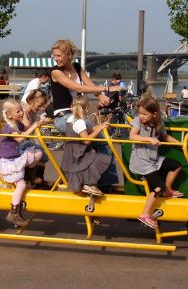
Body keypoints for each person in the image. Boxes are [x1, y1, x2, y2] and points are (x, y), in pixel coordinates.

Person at [48, 39, 121, 190]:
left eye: (59, 55)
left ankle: (100, 181)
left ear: (68, 54)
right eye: (54, 55)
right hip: (64, 118)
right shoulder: (55, 72)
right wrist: (108, 88)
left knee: (99, 144)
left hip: (77, 116)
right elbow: (75, 86)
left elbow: (89, 83)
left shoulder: (76, 66)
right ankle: (97, 182)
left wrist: (100, 95)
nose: (56, 58)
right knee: (99, 141)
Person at [128, 97, 183, 230]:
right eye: (140, 113)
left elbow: (165, 137)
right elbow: (132, 136)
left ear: (154, 114)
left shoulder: (159, 123)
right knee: (158, 187)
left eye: (144, 114)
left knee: (176, 165)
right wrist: (148, 139)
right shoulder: (137, 122)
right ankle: (145, 214)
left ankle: (167, 191)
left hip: (154, 159)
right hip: (141, 162)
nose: (141, 116)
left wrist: (180, 143)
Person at [0, 99, 47, 226]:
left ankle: (28, 177)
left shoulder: (17, 123)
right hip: (8, 162)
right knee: (21, 185)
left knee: (39, 153)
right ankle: (13, 213)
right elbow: (20, 138)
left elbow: (27, 128)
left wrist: (39, 122)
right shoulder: (9, 127)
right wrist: (36, 125)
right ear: (9, 114)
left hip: (16, 158)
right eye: (18, 111)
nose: (22, 113)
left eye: (22, 110)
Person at [60, 96, 112, 196]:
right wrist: (99, 129)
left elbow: (85, 132)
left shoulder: (71, 118)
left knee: (91, 158)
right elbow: (87, 140)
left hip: (71, 151)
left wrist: (100, 125)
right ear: (87, 108)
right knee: (98, 158)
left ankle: (88, 183)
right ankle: (88, 184)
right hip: (78, 153)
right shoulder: (79, 122)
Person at [21, 89, 51, 187]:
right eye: (40, 104)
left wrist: (43, 122)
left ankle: (39, 178)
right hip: (19, 142)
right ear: (31, 101)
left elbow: (33, 127)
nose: (42, 107)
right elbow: (27, 128)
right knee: (40, 151)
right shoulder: (24, 112)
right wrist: (38, 123)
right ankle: (30, 178)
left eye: (43, 105)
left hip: (25, 141)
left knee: (43, 152)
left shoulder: (32, 112)